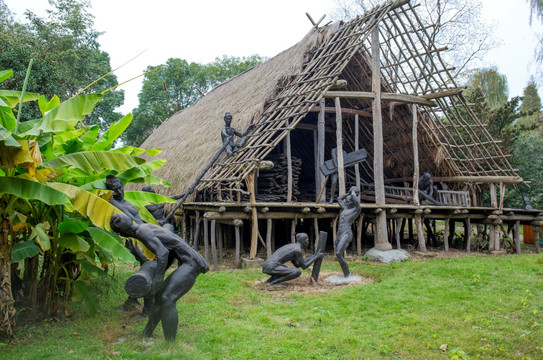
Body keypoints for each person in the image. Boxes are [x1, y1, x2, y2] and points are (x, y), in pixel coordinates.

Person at [110, 213, 209, 341]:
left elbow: (163, 253)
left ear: (122, 233)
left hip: (192, 262)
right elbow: (171, 249)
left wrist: (158, 279)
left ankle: (170, 343)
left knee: (167, 298)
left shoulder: (141, 232)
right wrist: (158, 272)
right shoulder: (143, 227)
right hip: (187, 261)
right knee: (159, 297)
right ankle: (147, 333)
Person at [335, 186, 361, 278]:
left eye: (350, 200)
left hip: (346, 233)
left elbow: (357, 203)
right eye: (347, 200)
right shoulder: (345, 208)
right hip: (339, 234)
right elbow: (339, 198)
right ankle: (346, 274)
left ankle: (347, 275)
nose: (348, 201)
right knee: (339, 255)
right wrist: (348, 194)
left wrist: (353, 192)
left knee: (338, 253)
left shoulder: (355, 210)